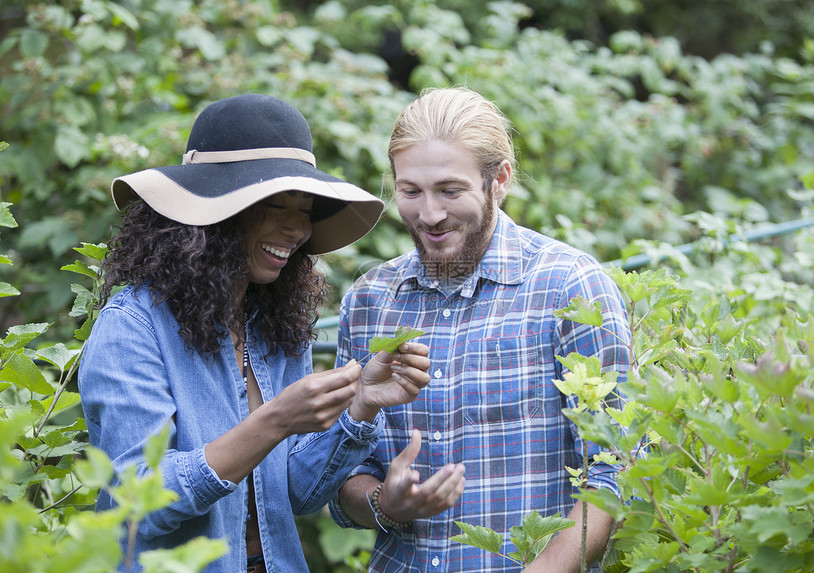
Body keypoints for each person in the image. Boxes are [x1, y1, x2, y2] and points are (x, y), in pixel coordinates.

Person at [78, 93, 432, 573]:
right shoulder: (134, 327)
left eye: (304, 210)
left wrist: (361, 403)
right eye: (274, 207)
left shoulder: (272, 326)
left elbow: (295, 494)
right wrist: (272, 422)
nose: (297, 229)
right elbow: (138, 500)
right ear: (213, 214)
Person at [328, 87, 632, 572]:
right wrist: (386, 503)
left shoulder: (569, 289)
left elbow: (617, 472)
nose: (429, 215)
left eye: (451, 190)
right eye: (410, 192)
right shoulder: (370, 302)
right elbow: (340, 477)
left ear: (500, 179)